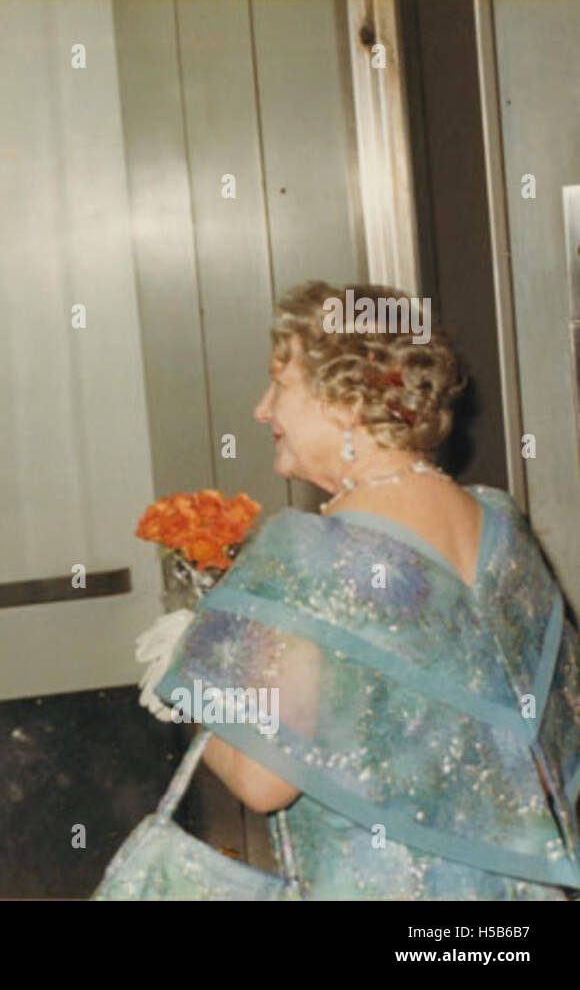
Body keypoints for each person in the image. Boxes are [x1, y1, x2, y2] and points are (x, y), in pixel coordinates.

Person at [99, 281, 580, 899]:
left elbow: (263, 781)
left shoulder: (307, 552)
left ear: (346, 401)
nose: (262, 409)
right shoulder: (500, 522)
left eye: (280, 384)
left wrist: (187, 680)